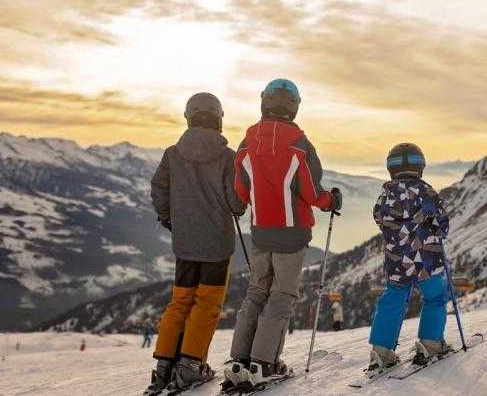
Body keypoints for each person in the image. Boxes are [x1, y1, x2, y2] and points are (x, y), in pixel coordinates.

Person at [223, 79, 342, 392]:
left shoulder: (248, 142)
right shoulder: (299, 144)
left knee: (256, 292)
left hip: (260, 233)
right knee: (281, 297)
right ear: (294, 105)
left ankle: (238, 360)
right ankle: (263, 364)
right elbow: (313, 192)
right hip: (292, 235)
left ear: (264, 102)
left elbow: (240, 192)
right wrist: (332, 200)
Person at [145, 92, 246, 395]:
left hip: (185, 243)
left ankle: (164, 367)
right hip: (216, 244)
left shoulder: (173, 154)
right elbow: (236, 204)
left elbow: (159, 187)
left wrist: (168, 217)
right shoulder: (227, 157)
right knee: (206, 304)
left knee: (180, 302)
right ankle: (190, 365)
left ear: (189, 117)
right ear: (218, 119)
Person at [367, 143, 451, 372]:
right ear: (420, 166)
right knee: (434, 297)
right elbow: (442, 225)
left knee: (393, 299)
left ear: (391, 168)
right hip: (426, 259)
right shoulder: (427, 192)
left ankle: (381, 351)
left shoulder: (386, 195)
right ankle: (431, 343)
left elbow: (378, 218)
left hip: (397, 259)